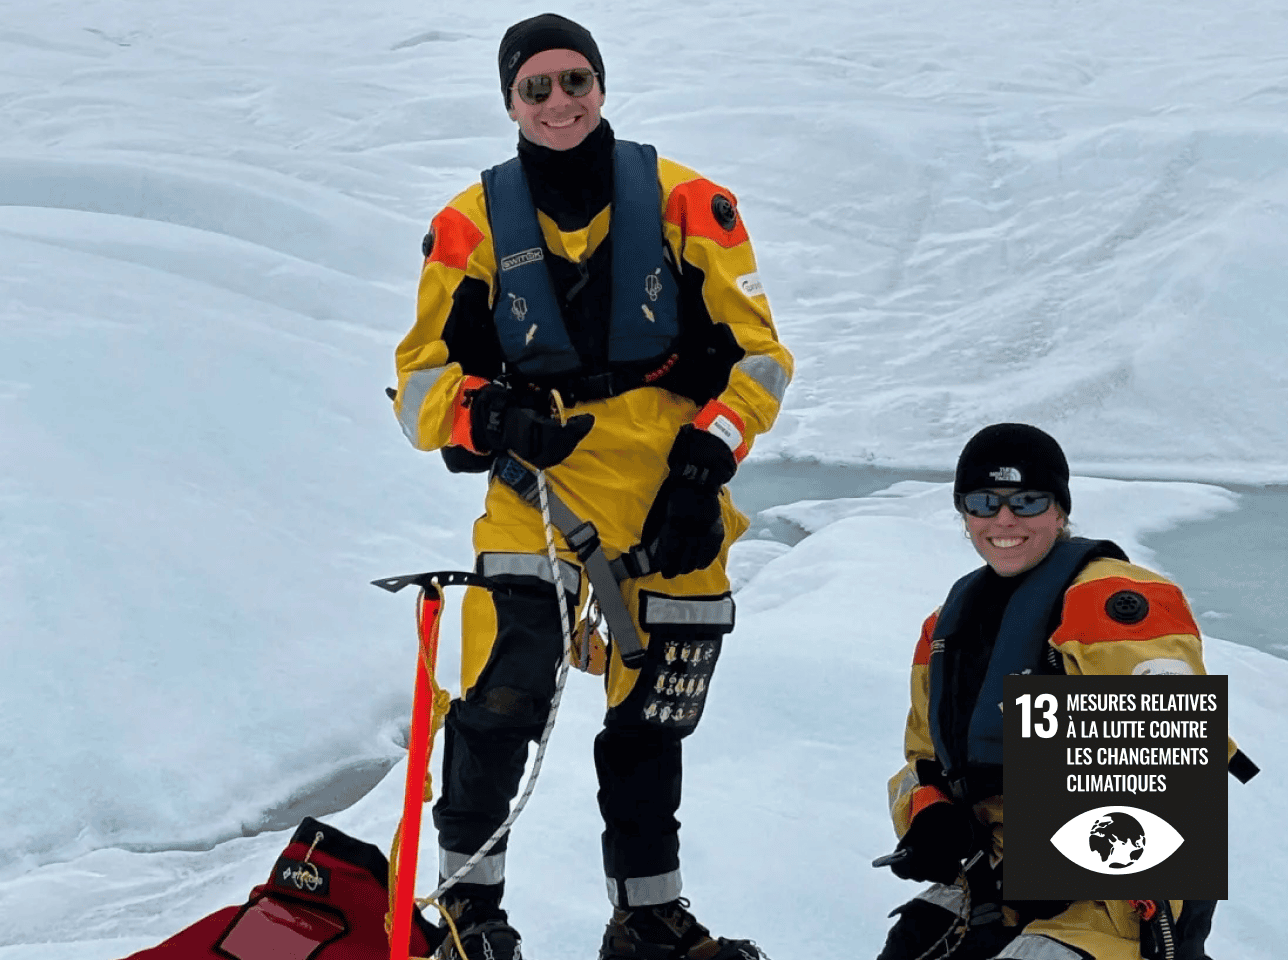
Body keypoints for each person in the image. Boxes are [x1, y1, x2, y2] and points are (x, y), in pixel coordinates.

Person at [390, 13, 792, 960]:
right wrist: (489, 419)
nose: (560, 102)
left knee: (652, 727)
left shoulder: (694, 204)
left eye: (576, 81)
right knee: (498, 705)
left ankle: (649, 919)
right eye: (537, 88)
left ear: (601, 87)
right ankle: (464, 916)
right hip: (535, 500)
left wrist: (707, 463)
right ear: (511, 103)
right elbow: (416, 388)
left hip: (672, 504)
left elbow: (761, 361)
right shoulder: (468, 224)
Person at [877, 423, 1242, 960]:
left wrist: (1074, 855)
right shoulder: (946, 629)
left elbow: (1174, 762)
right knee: (913, 940)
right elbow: (924, 761)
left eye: (1027, 501)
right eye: (984, 502)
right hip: (999, 871)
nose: (1004, 520)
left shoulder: (1114, 601)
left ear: (1060, 510)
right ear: (964, 514)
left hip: (1120, 886)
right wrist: (930, 816)